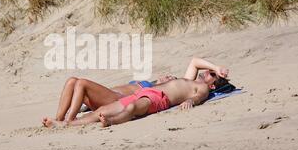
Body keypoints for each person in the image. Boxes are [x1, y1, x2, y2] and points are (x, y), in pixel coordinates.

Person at [42, 58, 230, 128]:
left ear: (213, 85)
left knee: (130, 107)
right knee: (101, 111)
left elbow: (198, 97)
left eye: (212, 74)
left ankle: (109, 122)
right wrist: (216, 66)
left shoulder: (202, 88)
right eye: (209, 70)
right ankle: (67, 123)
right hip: (148, 91)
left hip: (158, 98)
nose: (208, 72)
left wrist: (193, 102)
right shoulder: (189, 79)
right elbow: (195, 61)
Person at [48, 74, 176, 123]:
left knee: (81, 83)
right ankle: (59, 118)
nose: (169, 77)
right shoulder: (147, 81)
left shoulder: (157, 90)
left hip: (116, 100)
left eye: (172, 78)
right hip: (105, 96)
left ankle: (70, 120)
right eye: (169, 76)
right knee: (72, 81)